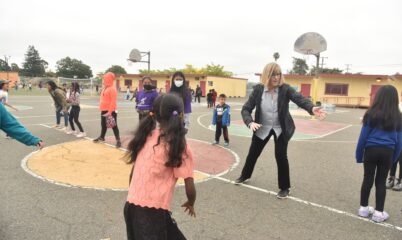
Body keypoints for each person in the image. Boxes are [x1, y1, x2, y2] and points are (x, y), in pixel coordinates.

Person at [235, 62, 326, 199]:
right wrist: (250, 122)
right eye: (273, 75)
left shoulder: (285, 89)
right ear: (267, 75)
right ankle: (244, 175)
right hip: (262, 127)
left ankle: (284, 188)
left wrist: (312, 108)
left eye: (278, 74)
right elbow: (246, 109)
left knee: (281, 156)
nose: (276, 77)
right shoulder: (258, 90)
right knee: (253, 153)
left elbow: (300, 99)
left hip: (280, 128)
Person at [124, 94, 196, 240]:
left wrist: (136, 194)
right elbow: (189, 184)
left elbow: (132, 174)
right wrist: (191, 202)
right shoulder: (178, 144)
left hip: (131, 205)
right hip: (151, 212)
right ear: (181, 115)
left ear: (155, 115)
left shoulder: (145, 136)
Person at [356, 85, 402, 223]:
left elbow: (363, 137)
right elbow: (400, 141)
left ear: (378, 97)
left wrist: (359, 155)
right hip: (388, 152)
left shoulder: (371, 114)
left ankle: (363, 209)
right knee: (381, 182)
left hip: (371, 150)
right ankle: (378, 213)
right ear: (395, 99)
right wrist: (394, 158)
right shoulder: (399, 117)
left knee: (367, 179)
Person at [93, 72, 121, 148]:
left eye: (105, 78)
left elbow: (113, 101)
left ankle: (118, 140)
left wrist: (109, 112)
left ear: (109, 79)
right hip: (104, 110)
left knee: (114, 126)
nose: (104, 80)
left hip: (111, 111)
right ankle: (102, 137)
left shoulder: (112, 89)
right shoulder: (105, 88)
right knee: (103, 125)